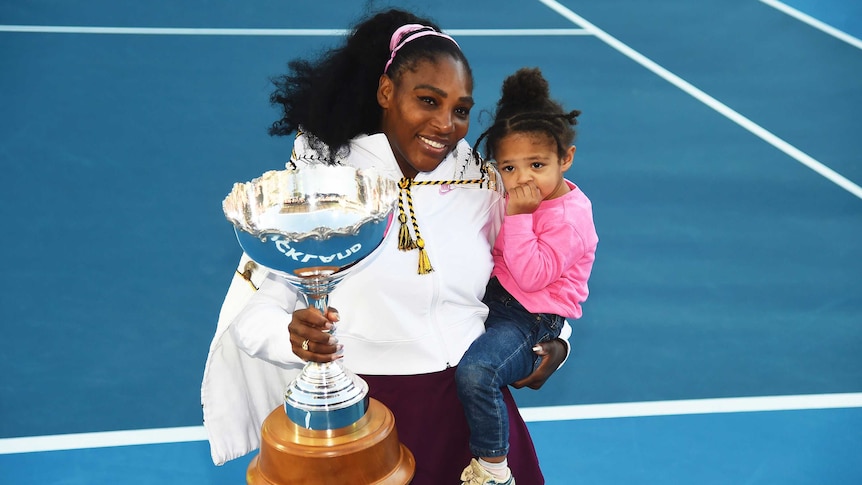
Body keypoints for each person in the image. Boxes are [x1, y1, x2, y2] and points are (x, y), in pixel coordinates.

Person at [200, 9, 572, 484]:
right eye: (427, 100)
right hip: (361, 428)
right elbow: (254, 314)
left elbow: (546, 266)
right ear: (385, 92)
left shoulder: (483, 183)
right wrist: (294, 338)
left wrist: (557, 341)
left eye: (460, 110)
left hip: (475, 423)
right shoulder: (322, 185)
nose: (445, 125)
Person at [455, 67, 598, 485]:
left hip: (531, 318)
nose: (522, 179)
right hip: (496, 301)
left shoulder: (570, 218)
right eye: (510, 168)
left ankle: (494, 470)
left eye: (537, 164)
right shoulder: (508, 190)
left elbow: (533, 276)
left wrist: (517, 217)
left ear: (565, 159)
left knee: (477, 373)